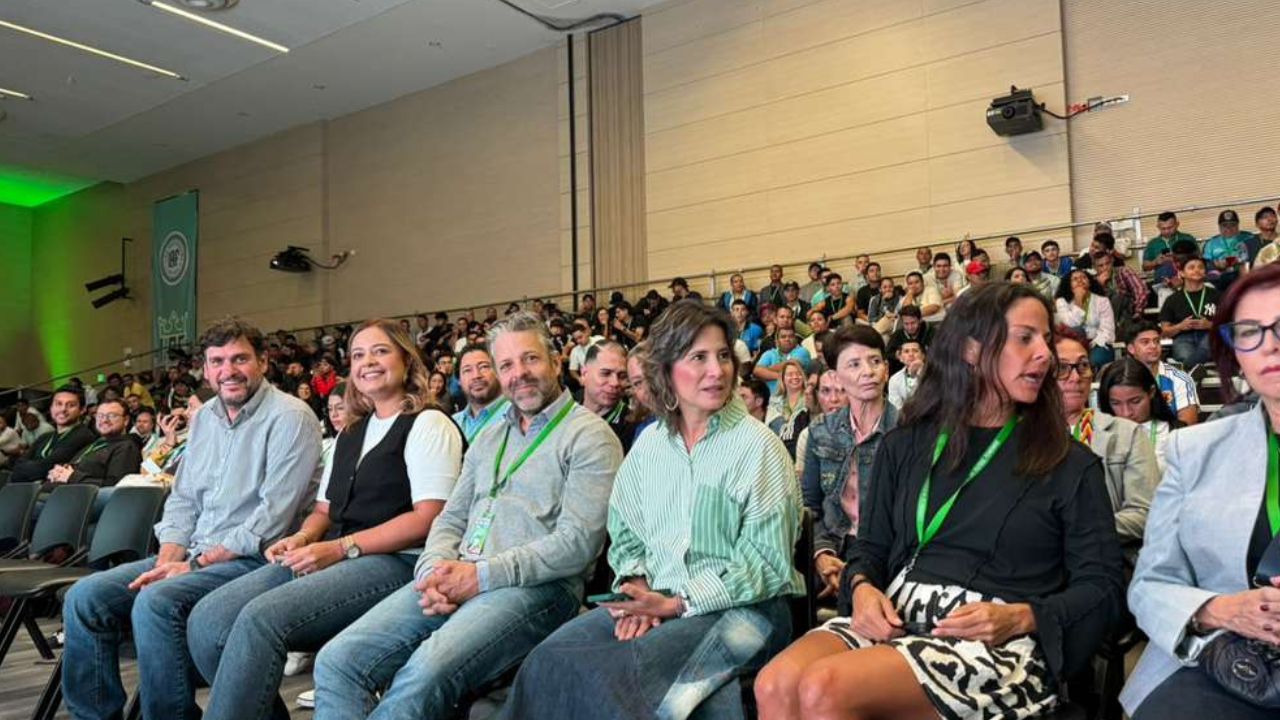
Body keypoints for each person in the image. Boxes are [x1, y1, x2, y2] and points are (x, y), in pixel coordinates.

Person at [755, 282, 1125, 720]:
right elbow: (869, 551)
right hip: (898, 613)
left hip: (993, 641)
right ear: (971, 349)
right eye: (1026, 337)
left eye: (1045, 338)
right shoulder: (905, 447)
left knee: (824, 688)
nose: (1046, 353)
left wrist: (1025, 617)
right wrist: (862, 588)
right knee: (775, 683)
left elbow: (1103, 587)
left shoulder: (1070, 465)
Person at [311, 311, 623, 718]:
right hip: (457, 576)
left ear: (556, 362)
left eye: (530, 359)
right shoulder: (490, 435)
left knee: (422, 674)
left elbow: (577, 545)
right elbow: (451, 518)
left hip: (537, 588)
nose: (519, 374)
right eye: (506, 365)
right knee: (337, 660)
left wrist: (479, 577)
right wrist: (433, 570)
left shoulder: (589, 436)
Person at [500, 300, 802, 719]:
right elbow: (626, 531)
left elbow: (766, 565)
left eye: (722, 356)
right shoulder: (650, 447)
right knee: (547, 661)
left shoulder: (758, 448)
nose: (717, 371)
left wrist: (676, 603)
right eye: (698, 358)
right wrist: (639, 586)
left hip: (746, 609)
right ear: (665, 370)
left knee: (626, 677)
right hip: (656, 599)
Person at [186, 319, 462, 720]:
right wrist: (301, 538)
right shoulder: (351, 432)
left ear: (406, 359)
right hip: (339, 554)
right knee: (209, 620)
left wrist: (339, 547)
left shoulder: (428, 423)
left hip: (399, 561)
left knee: (260, 621)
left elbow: (429, 518)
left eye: (380, 351)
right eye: (358, 355)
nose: (368, 362)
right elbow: (324, 510)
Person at [61, 317, 324, 720]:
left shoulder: (291, 416)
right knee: (85, 598)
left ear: (263, 362)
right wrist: (170, 559)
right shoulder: (204, 418)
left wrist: (191, 566)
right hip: (195, 555)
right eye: (217, 361)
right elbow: (182, 500)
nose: (228, 371)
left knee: (155, 602)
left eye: (240, 359)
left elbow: (271, 519)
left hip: (258, 559)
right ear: (205, 369)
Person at [1121, 264, 1280, 719]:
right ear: (1235, 353)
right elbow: (1149, 585)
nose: (1269, 344)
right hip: (1225, 662)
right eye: (1249, 331)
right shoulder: (1194, 450)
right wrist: (1219, 609)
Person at [799, 325, 897, 604]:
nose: (868, 371)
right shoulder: (821, 432)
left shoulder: (907, 431)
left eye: (875, 361)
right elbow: (810, 505)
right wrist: (822, 553)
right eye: (854, 364)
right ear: (838, 376)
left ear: (887, 369)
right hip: (835, 546)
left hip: (886, 553)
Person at [1056, 330, 1158, 564]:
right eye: (1061, 368)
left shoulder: (1126, 433)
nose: (1075, 377)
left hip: (1105, 559)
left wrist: (1075, 531)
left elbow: (1145, 512)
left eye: (1083, 365)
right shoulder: (1022, 435)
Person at [1097, 358, 1181, 474]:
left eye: (1135, 401)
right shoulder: (1098, 435)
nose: (1126, 413)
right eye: (1116, 403)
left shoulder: (1177, 434)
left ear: (1151, 392)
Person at [43, 398, 142, 493]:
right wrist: (59, 472)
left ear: (126, 420)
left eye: (112, 415)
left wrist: (72, 477)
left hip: (79, 502)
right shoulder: (96, 443)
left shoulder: (126, 447)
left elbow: (116, 487)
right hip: (53, 493)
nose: (104, 420)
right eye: (100, 416)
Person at [8, 385, 95, 483]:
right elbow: (18, 465)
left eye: (71, 405)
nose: (63, 409)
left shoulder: (83, 435)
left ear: (82, 410)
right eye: (58, 404)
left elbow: (48, 466)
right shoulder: (45, 437)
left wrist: (29, 469)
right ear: (51, 408)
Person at [1124, 321, 1200, 426]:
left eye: (1157, 341)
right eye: (1145, 342)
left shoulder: (1181, 379)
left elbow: (1187, 425)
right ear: (1131, 349)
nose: (1153, 346)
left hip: (1170, 440)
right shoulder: (1120, 379)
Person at [1159, 256, 1219, 368]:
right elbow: (1165, 332)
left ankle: (1187, 371)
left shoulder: (1217, 295)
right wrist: (1180, 327)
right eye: (1191, 267)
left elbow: (1229, 326)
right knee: (1183, 354)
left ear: (1205, 272)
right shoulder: (1172, 299)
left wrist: (1209, 325)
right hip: (1183, 338)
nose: (1197, 270)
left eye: (1200, 267)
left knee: (1210, 344)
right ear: (1181, 273)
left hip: (1210, 334)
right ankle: (1193, 371)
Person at [580, 341, 636, 452]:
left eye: (622, 376)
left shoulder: (632, 425)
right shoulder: (567, 411)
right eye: (605, 373)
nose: (615, 383)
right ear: (584, 374)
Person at [1055, 268, 1116, 367]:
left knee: (1094, 360)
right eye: (1075, 279)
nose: (1079, 280)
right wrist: (1079, 301)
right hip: (1072, 344)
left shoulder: (1102, 301)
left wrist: (1093, 343)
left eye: (1083, 277)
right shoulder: (1062, 301)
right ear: (1069, 285)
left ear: (1090, 282)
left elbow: (1108, 330)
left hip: (1098, 343)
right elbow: (1070, 325)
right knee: (1077, 330)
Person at [794, 369, 846, 479]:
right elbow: (806, 488)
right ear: (817, 395)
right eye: (826, 391)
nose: (834, 399)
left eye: (842, 390)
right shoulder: (807, 435)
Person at [452, 344, 508, 445]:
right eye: (467, 370)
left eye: (484, 367)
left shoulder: (516, 413)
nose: (476, 375)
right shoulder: (452, 423)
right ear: (459, 380)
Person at [1091, 250, 1150, 338]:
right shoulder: (1092, 281)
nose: (1105, 268)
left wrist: (1138, 310)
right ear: (1095, 268)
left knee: (1118, 297)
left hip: (1128, 308)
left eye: (1108, 263)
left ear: (1112, 262)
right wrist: (1099, 286)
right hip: (1105, 315)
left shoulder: (1123, 271)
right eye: (1101, 266)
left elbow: (1140, 289)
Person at [766, 359, 810, 459]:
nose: (795, 377)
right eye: (790, 374)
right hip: (776, 451)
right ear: (783, 379)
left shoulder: (810, 399)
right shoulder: (774, 401)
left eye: (798, 374)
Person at [1201, 209, 1252, 291]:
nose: (1229, 228)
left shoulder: (1248, 237)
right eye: (1225, 225)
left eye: (1232, 225)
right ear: (1219, 227)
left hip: (1244, 276)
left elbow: (1251, 256)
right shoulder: (1211, 243)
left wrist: (1229, 261)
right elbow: (1206, 263)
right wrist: (1215, 266)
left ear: (1238, 225)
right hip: (1220, 279)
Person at [754, 326, 812, 395]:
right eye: (783, 337)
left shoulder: (802, 351)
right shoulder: (769, 353)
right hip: (771, 399)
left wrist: (765, 371)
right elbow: (757, 371)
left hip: (795, 397)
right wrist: (781, 376)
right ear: (777, 341)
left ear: (796, 339)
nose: (787, 339)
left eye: (791, 336)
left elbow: (791, 364)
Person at [1144, 211, 1196, 278]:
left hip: (1188, 278)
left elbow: (1198, 259)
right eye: (1163, 228)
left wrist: (1176, 258)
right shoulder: (1152, 243)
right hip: (1163, 281)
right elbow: (1145, 267)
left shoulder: (1187, 238)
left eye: (1170, 227)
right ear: (1158, 227)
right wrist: (1155, 262)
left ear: (1177, 224)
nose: (1167, 231)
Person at [885, 304, 933, 375]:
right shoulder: (898, 334)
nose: (910, 327)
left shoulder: (931, 332)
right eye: (906, 324)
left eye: (913, 323)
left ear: (920, 320)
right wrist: (899, 355)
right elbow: (888, 353)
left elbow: (938, 353)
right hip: (901, 371)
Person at [887, 338, 924, 409]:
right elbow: (896, 408)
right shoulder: (894, 379)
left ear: (923, 355)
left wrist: (920, 373)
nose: (911, 354)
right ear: (900, 358)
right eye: (906, 351)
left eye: (915, 351)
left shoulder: (934, 374)